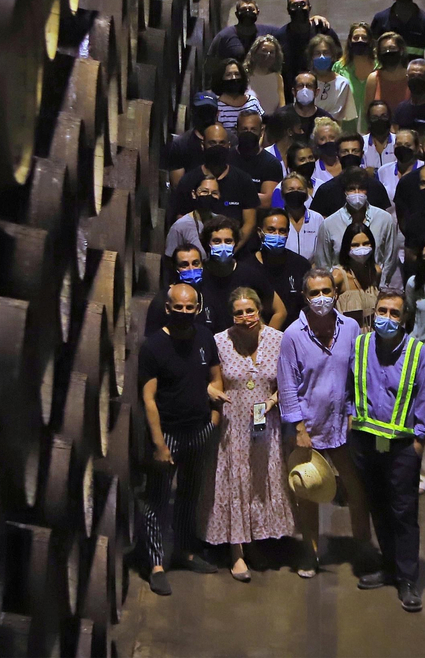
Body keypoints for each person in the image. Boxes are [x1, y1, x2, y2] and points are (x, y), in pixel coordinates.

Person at [277, 269, 375, 577]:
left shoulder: (350, 328)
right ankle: (310, 553)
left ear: (336, 293)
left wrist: (354, 412)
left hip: (342, 424)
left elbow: (356, 374)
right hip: (309, 425)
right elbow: (287, 385)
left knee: (356, 488)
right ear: (305, 297)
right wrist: (299, 429)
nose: (321, 298)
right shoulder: (293, 335)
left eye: (326, 291)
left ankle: (364, 548)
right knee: (308, 491)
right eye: (314, 293)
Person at [348, 288, 425, 611]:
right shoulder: (360, 346)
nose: (386, 318)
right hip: (367, 441)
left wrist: (419, 442)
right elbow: (350, 387)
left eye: (394, 313)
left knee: (404, 512)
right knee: (379, 507)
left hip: (401, 446)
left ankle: (408, 579)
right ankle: (388, 567)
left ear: (404, 318)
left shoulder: (418, 353)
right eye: (382, 311)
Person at [203, 288, 296, 580]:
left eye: (250, 311)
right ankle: (236, 551)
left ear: (259, 311)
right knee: (235, 482)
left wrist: (273, 400)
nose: (246, 318)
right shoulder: (219, 341)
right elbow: (207, 377)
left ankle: (254, 539)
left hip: (265, 421)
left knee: (258, 480)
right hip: (232, 424)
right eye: (239, 313)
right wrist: (210, 390)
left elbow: (291, 379)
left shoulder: (279, 340)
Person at [139, 283, 224, 594]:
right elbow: (149, 399)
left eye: (190, 307)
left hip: (199, 430)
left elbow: (215, 378)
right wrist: (159, 444)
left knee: (190, 495)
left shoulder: (205, 337)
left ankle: (185, 552)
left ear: (197, 308)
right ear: (168, 308)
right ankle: (156, 565)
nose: (185, 312)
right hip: (169, 434)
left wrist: (213, 421)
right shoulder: (153, 347)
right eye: (179, 307)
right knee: (157, 499)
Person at [168, 124, 258, 241]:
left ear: (229, 145)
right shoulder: (188, 181)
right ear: (203, 145)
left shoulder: (244, 181)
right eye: (212, 143)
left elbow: (249, 223)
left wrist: (231, 247)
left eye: (222, 143)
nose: (217, 147)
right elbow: (181, 217)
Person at [312, 169, 402, 283]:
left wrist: (381, 283)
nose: (357, 193)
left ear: (367, 191)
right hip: (342, 289)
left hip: (376, 285)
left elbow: (390, 259)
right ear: (344, 192)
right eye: (351, 189)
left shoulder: (385, 219)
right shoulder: (329, 224)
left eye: (361, 188)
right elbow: (323, 263)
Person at [199, 216, 287, 331]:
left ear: (235, 243)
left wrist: (266, 339)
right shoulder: (199, 275)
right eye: (217, 241)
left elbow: (280, 311)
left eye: (228, 241)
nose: (223, 246)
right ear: (207, 244)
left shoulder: (250, 274)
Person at [311, 133, 391, 215]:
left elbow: (383, 217)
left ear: (362, 154)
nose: (350, 155)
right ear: (338, 155)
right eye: (345, 152)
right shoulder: (326, 190)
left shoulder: (376, 187)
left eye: (355, 151)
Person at [277, 0, 342, 94]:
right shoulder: (280, 36)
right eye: (294, 5)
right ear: (288, 10)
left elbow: (339, 59)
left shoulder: (324, 30)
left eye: (302, 4)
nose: (299, 8)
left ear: (309, 8)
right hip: (291, 94)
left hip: (325, 91)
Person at [254, 208, 311, 320]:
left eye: (282, 231)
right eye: (271, 230)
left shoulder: (301, 265)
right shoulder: (248, 267)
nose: (277, 235)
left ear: (288, 233)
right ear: (260, 232)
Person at [145, 247, 211, 333]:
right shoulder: (162, 300)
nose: (191, 269)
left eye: (195, 263)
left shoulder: (209, 296)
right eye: (184, 265)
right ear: (175, 268)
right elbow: (153, 338)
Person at [163, 92, 219, 186]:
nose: (205, 115)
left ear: (217, 113)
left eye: (209, 111)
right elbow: (178, 185)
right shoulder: (180, 144)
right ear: (193, 112)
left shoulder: (229, 140)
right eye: (201, 111)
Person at [332, 222, 382, 323]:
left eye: (366, 243)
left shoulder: (375, 272)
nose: (361, 248)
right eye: (355, 245)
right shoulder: (338, 276)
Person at [231, 109, 282, 207]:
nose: (248, 133)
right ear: (237, 130)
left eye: (253, 129)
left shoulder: (271, 163)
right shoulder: (226, 158)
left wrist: (231, 195)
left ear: (261, 131)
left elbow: (267, 201)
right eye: (244, 129)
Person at [209, 0, 280, 64]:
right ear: (237, 14)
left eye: (251, 9)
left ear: (257, 12)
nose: (247, 12)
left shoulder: (269, 32)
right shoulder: (224, 36)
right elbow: (211, 62)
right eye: (243, 9)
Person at [309, 36, 358, 131]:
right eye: (317, 53)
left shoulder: (342, 84)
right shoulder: (305, 82)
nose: (321, 57)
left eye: (326, 53)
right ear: (311, 57)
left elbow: (345, 117)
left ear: (332, 56)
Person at [164, 176, 221, 257]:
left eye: (214, 193)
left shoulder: (221, 223)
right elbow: (169, 259)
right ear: (194, 194)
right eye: (204, 191)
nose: (209, 195)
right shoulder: (180, 226)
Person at [338, 24, 378, 122]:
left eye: (364, 38)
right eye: (356, 38)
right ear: (350, 41)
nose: (360, 40)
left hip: (373, 124)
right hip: (346, 126)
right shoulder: (339, 67)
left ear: (370, 42)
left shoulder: (379, 67)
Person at [212, 57, 263, 129]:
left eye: (237, 74)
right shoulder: (217, 106)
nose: (234, 78)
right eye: (228, 75)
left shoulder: (253, 101)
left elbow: (262, 126)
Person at [364, 33, 411, 111]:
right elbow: (367, 112)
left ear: (401, 50)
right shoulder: (373, 78)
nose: (388, 52)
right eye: (384, 50)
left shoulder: (411, 77)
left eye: (392, 48)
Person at [279, 174, 323, 259]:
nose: (296, 193)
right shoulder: (278, 218)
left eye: (300, 189)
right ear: (283, 193)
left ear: (306, 193)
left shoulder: (317, 219)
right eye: (291, 189)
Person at [376, 128, 420, 203]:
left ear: (417, 148)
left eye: (408, 145)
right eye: (399, 144)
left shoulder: (424, 169)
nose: (403, 148)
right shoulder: (383, 171)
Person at [246, 34, 286, 109]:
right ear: (255, 52)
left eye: (272, 52)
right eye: (264, 50)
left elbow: (282, 106)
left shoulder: (277, 77)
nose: (268, 54)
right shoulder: (245, 75)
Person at [289, 71, 332, 139]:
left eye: (309, 86)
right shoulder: (281, 117)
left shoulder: (326, 120)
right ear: (294, 91)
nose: (304, 90)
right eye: (300, 86)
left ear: (316, 92)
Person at [360, 99, 395, 168]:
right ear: (369, 120)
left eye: (384, 116)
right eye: (374, 118)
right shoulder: (362, 143)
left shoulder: (398, 142)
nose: (379, 120)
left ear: (389, 117)